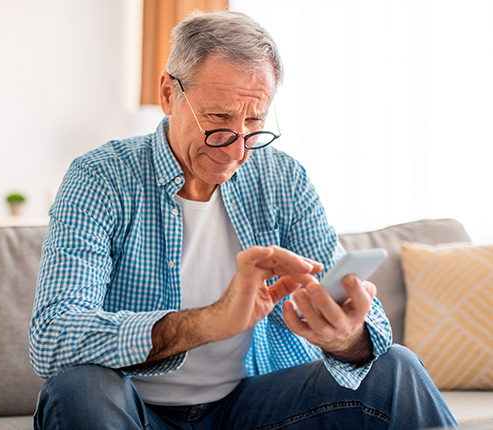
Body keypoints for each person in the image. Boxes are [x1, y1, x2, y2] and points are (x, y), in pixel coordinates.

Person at [29, 10, 457, 430]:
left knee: (395, 366)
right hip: (135, 407)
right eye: (217, 119)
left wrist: (344, 338)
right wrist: (211, 321)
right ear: (167, 94)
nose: (236, 151)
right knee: (77, 387)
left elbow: (363, 323)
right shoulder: (100, 177)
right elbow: (53, 332)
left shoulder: (282, 178)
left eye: (254, 122)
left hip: (253, 407)